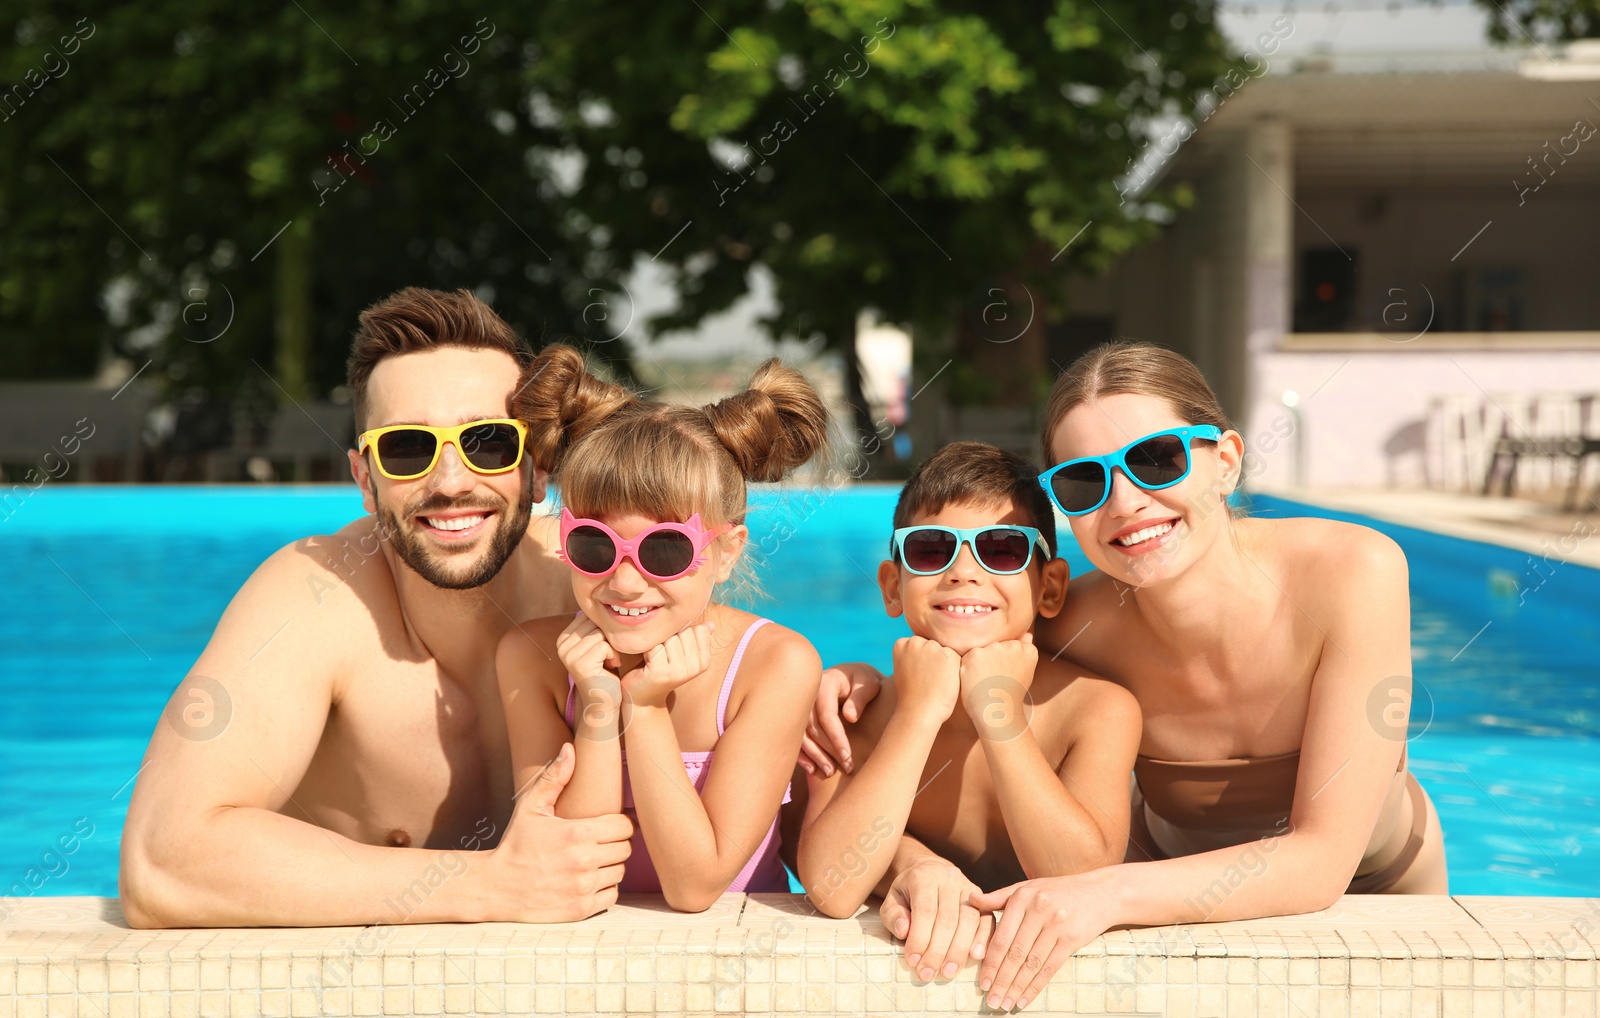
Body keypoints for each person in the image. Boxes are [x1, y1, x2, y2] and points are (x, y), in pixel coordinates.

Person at [809, 341, 1447, 1011]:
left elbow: (1320, 860)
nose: (1125, 500)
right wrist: (854, 681)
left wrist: (1102, 894)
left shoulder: (1352, 573)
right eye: (1086, 480)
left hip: (1373, 882)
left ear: (1225, 461)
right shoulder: (1072, 617)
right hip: (1157, 887)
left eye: (1155, 459)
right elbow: (958, 630)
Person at [119, 288, 632, 928]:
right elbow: (162, 860)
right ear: (366, 479)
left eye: (490, 443)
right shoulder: (313, 598)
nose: (451, 483)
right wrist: (489, 887)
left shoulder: (607, 580)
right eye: (409, 448)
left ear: (537, 469)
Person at [496, 345, 827, 912]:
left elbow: (695, 886)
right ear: (564, 541)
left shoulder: (773, 663)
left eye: (666, 550)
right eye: (595, 545)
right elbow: (573, 868)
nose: (625, 582)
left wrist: (644, 710)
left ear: (725, 552)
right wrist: (600, 707)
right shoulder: (531, 656)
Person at [795, 442, 1140, 977]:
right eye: (931, 549)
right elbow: (831, 888)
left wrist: (997, 711)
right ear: (893, 586)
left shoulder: (1095, 709)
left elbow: (1081, 881)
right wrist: (918, 714)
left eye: (1001, 549)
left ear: (1049, 588)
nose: (962, 572)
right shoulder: (856, 713)